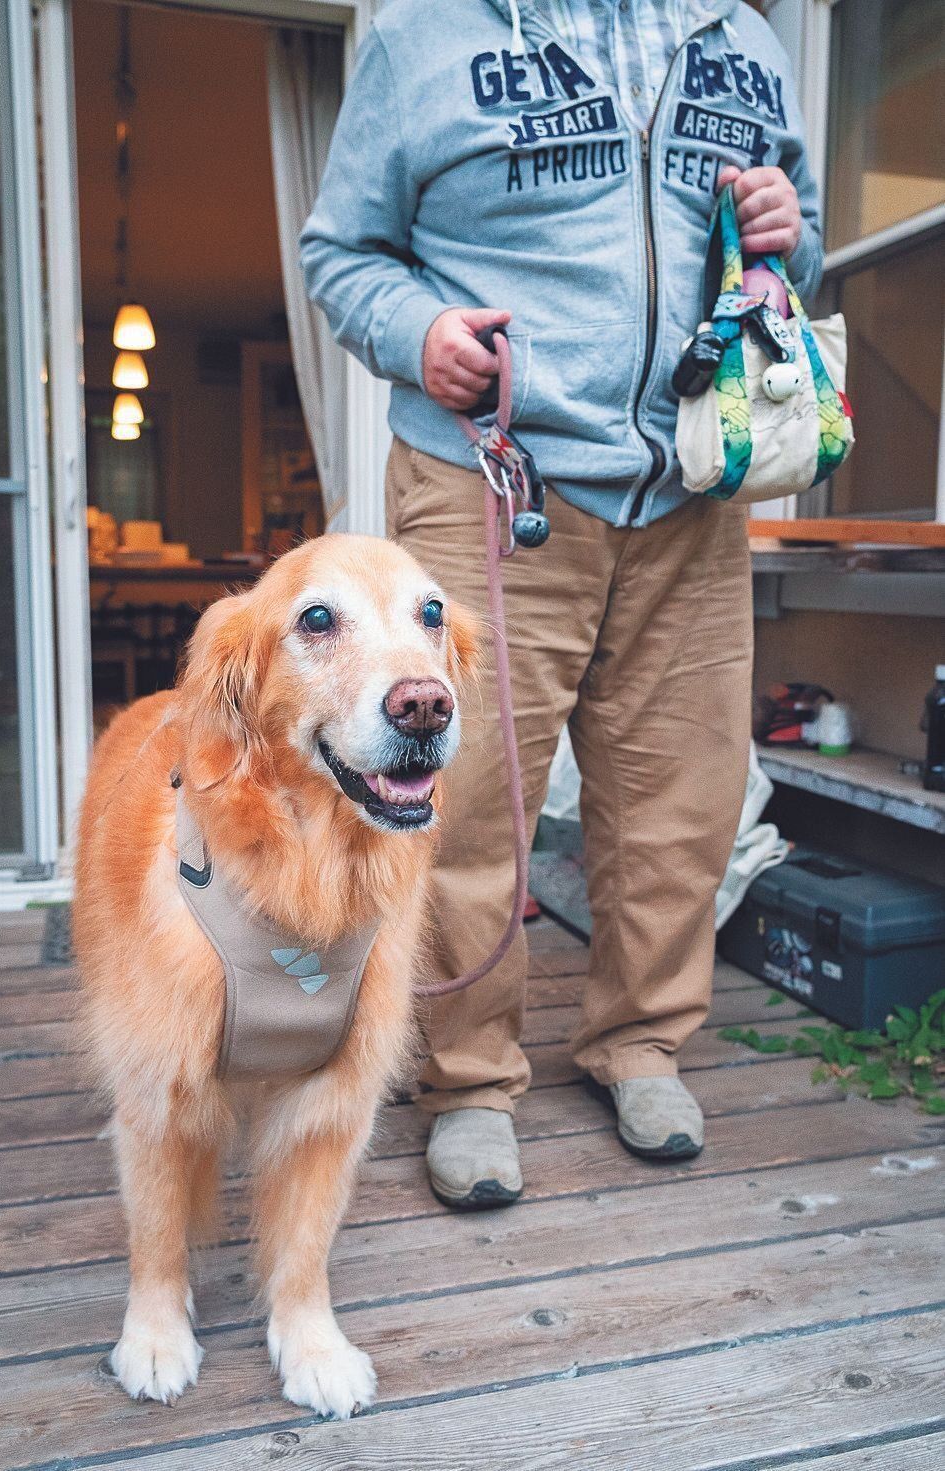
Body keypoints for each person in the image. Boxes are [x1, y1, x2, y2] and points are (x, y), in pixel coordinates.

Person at [301, 0, 822, 1209]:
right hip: (491, 476)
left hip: (693, 489)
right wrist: (416, 327)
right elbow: (342, 254)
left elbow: (787, 261)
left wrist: (788, 240)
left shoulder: (743, 39)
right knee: (459, 804)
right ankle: (468, 1082)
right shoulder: (420, 36)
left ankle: (640, 1044)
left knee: (679, 807)